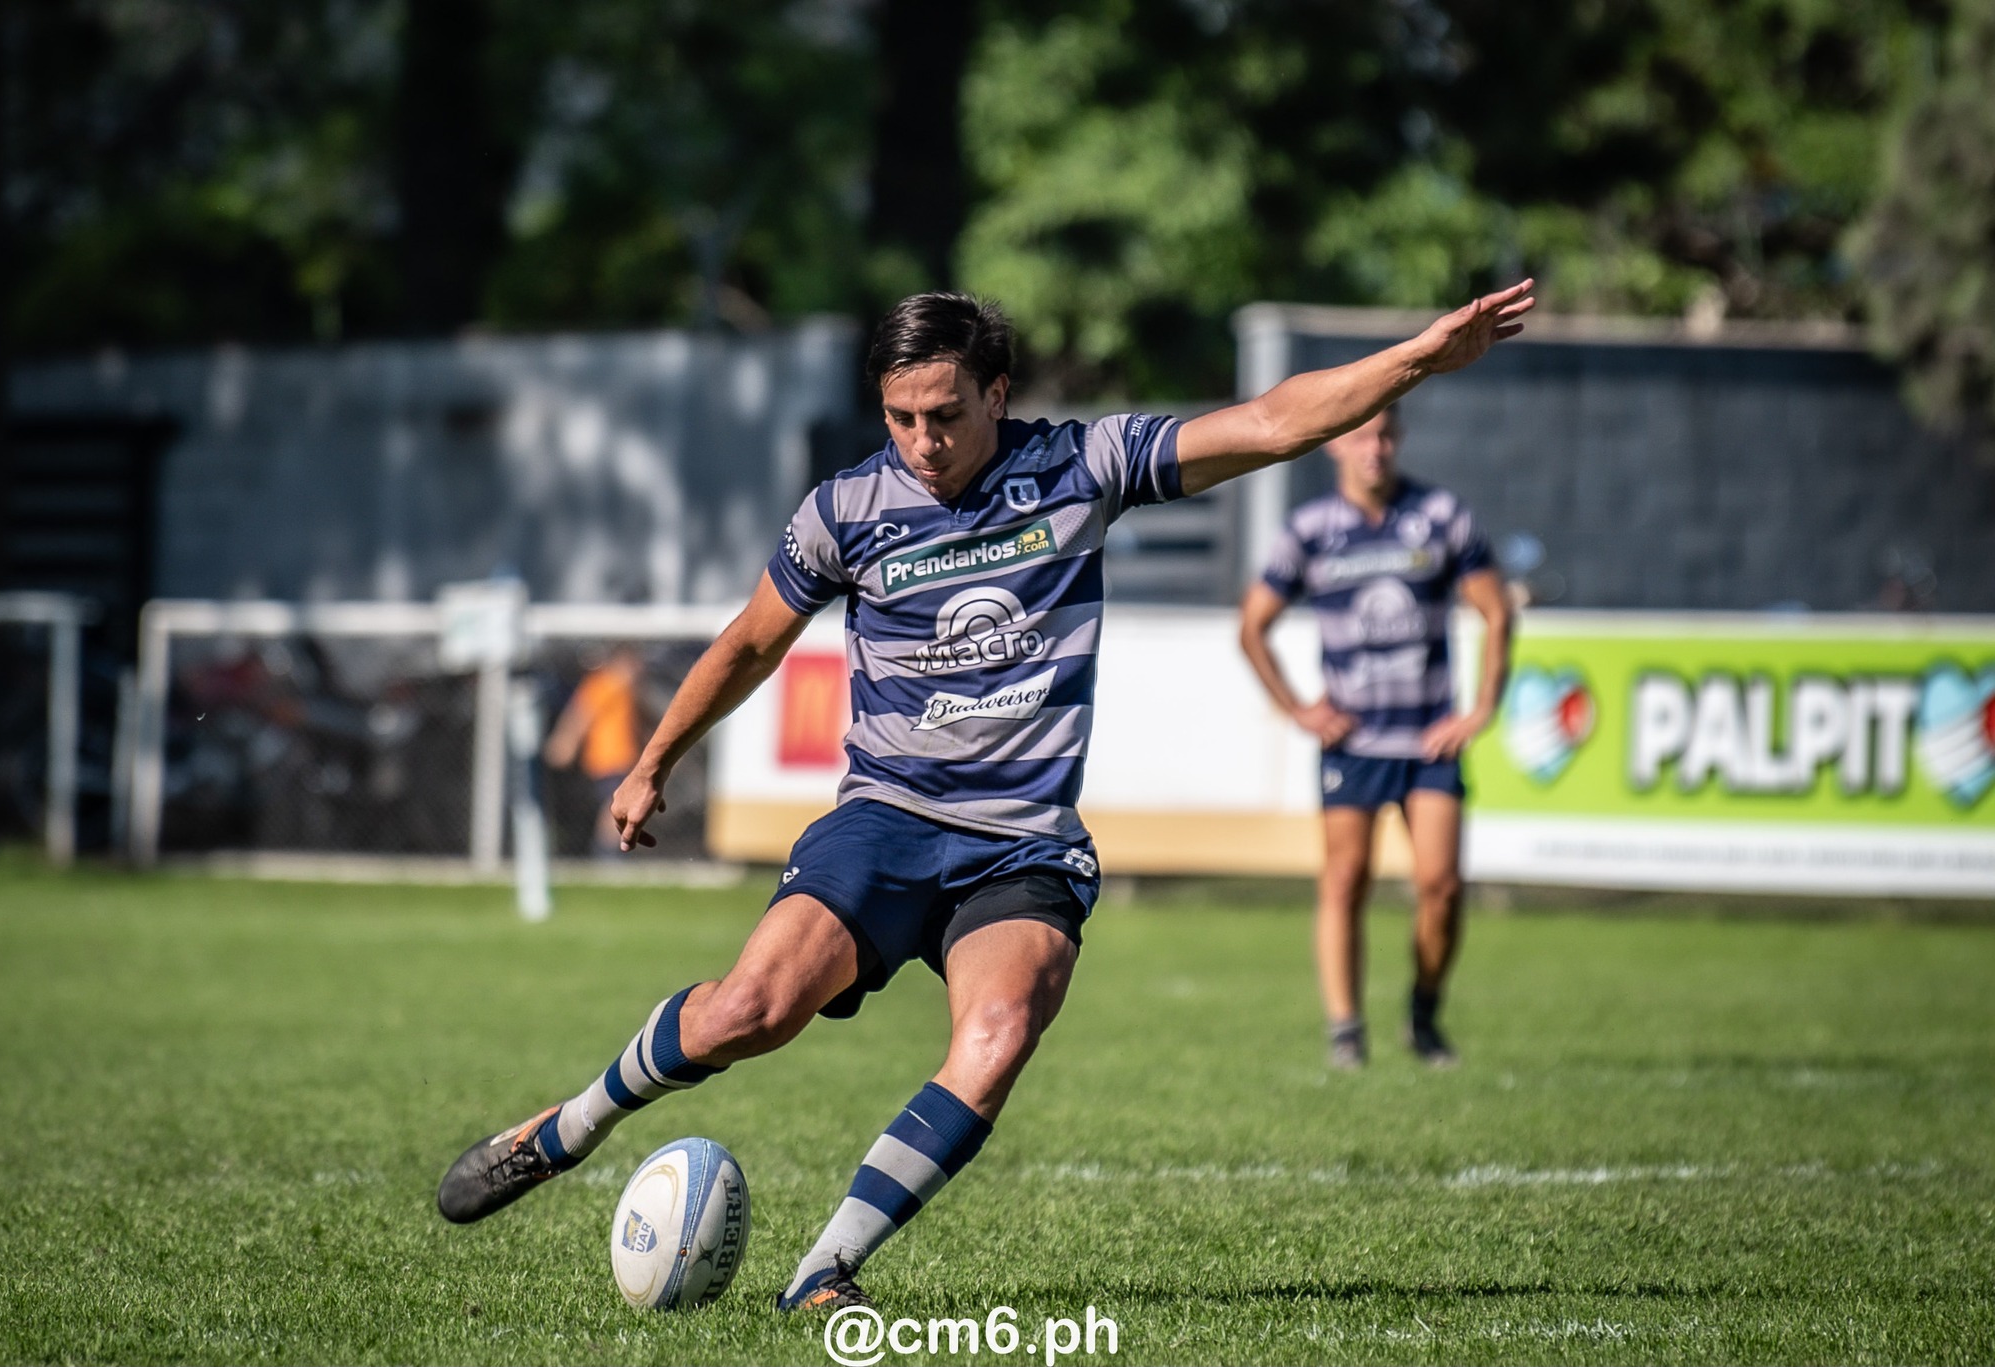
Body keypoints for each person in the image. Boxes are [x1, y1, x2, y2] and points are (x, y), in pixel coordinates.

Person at [437, 283, 1535, 1309]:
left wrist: (1414, 362)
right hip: (885, 821)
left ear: (996, 394)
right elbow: (749, 642)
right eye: (899, 416)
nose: (921, 440)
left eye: (945, 414)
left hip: (1022, 847)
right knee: (746, 1012)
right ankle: (567, 1126)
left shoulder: (1082, 465)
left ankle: (824, 1271)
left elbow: (1270, 421)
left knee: (998, 1030)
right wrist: (652, 759)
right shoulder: (845, 509)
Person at [1237, 404, 1512, 1070]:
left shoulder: (1440, 515)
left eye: (1386, 434)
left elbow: (1496, 611)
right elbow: (1252, 627)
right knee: (1344, 880)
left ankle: (1423, 1013)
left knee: (1441, 885)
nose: (1376, 448)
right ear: (1336, 445)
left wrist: (1479, 710)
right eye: (1362, 435)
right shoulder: (1309, 531)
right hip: (1353, 744)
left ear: (1399, 440)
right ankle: (1345, 1032)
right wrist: (1300, 710)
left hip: (1428, 742)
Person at [543, 645, 647, 854]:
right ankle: (607, 855)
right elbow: (581, 715)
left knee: (617, 808)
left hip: (622, 760)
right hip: (608, 760)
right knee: (614, 809)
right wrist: (565, 742)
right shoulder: (605, 684)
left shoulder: (625, 691)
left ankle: (609, 853)